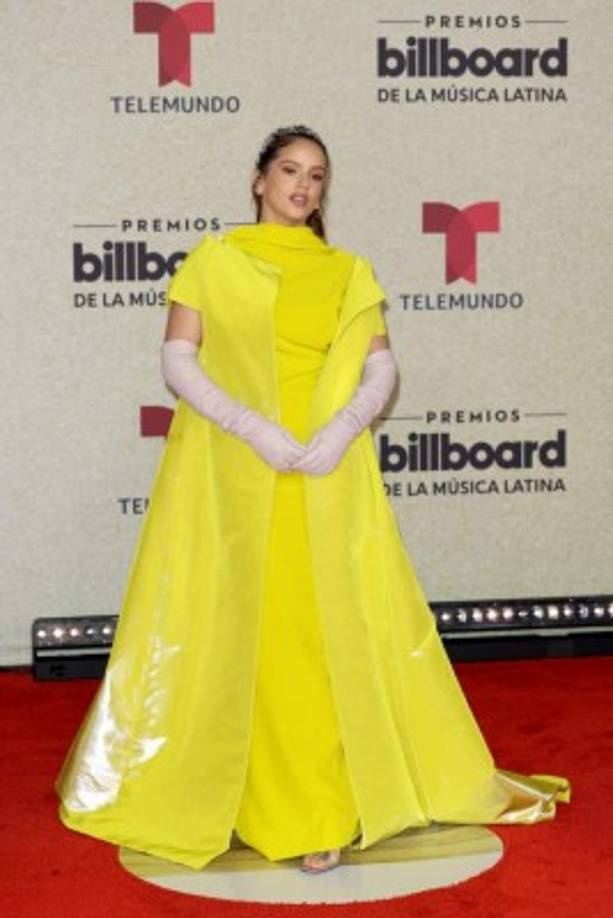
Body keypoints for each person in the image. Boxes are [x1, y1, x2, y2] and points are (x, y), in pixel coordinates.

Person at [55, 125, 570, 875]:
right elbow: (177, 357)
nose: (303, 185)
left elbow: (379, 371)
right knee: (237, 633)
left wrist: (336, 434)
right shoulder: (216, 259)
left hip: (324, 479)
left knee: (316, 635)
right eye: (290, 170)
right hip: (236, 475)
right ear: (258, 179)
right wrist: (249, 427)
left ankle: (318, 808)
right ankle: (229, 798)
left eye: (317, 176)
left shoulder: (346, 271)